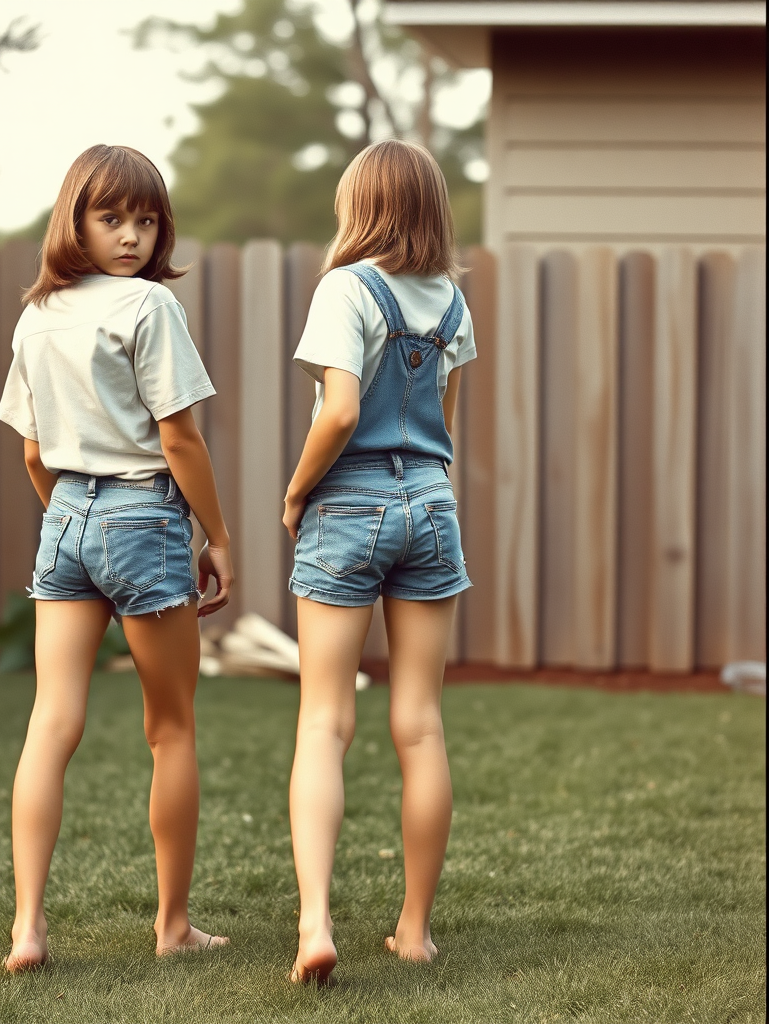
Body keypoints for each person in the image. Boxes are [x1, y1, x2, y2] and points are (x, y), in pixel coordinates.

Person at [0, 144, 233, 971]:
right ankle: (172, 927)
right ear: (78, 220)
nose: (132, 235)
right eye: (113, 218)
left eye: (146, 219)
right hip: (144, 517)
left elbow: (32, 452)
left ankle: (28, 927)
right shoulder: (147, 308)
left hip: (63, 517)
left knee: (49, 724)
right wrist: (220, 538)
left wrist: (74, 520)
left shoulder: (37, 316)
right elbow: (179, 437)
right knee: (170, 732)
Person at [282, 139, 476, 983]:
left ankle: (316, 924)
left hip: (348, 501)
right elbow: (446, 422)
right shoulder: (454, 300)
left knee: (325, 721)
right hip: (431, 503)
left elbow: (338, 413)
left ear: (357, 206)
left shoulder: (344, 287)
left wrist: (296, 494)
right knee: (421, 724)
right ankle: (415, 930)